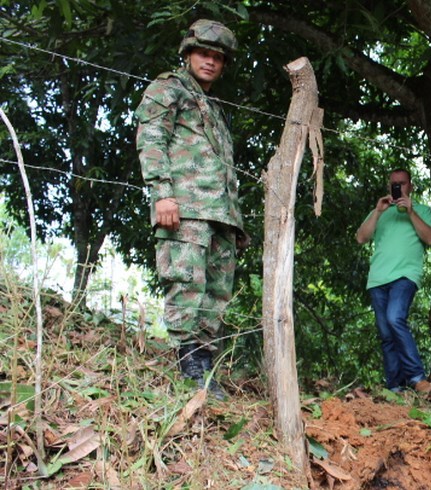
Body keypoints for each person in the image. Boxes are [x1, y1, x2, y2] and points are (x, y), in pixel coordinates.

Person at [135, 19, 249, 400]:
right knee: (186, 284)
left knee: (216, 294)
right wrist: (162, 194)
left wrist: (236, 221)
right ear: (187, 53)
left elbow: (223, 167)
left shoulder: (213, 107)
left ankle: (204, 366)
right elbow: (151, 138)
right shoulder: (169, 88)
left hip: (220, 215)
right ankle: (188, 365)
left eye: (218, 57)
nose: (211, 62)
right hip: (184, 209)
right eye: (203, 53)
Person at [356, 169, 431, 395]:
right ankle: (395, 387)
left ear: (410, 186)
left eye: (402, 184)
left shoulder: (421, 210)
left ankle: (417, 377)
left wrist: (410, 211)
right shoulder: (381, 212)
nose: (397, 187)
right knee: (386, 334)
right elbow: (361, 237)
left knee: (395, 318)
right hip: (378, 279)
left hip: (405, 276)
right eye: (393, 184)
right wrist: (377, 211)